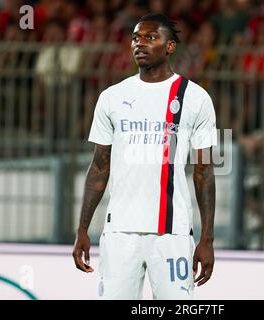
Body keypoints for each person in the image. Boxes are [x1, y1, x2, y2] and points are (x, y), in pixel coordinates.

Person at [72, 13, 217, 300]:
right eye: (136, 38)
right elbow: (99, 167)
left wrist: (207, 238)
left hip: (171, 233)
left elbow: (204, 171)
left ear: (170, 46)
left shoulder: (195, 98)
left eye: (150, 37)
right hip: (120, 231)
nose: (140, 43)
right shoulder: (112, 96)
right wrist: (83, 229)